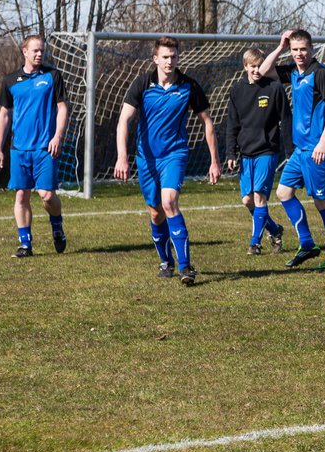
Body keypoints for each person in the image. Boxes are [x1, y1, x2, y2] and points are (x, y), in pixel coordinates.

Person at [113, 36, 221, 285]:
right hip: (146, 158)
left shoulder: (188, 86)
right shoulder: (142, 84)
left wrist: (214, 161)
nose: (170, 61)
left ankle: (185, 266)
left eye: (173, 56)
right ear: (155, 59)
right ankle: (165, 260)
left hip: (175, 154)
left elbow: (207, 123)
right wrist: (122, 157)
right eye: (165, 57)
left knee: (169, 201)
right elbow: (123, 121)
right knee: (155, 212)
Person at [259, 29, 325, 270]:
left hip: (318, 149)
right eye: (295, 49)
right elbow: (263, 70)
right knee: (283, 192)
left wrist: (323, 141)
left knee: (322, 202)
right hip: (301, 150)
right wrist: (280, 47)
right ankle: (307, 243)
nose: (299, 54)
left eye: (303, 49)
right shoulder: (293, 72)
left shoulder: (320, 73)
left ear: (312, 49)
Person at [0, 35, 69, 257]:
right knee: (21, 196)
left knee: (47, 195)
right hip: (19, 150)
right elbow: (4, 116)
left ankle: (56, 225)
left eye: (42, 51)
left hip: (45, 148)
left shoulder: (52, 76)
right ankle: (25, 244)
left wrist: (57, 136)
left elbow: (63, 108)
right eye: (35, 51)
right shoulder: (10, 81)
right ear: (24, 51)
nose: (39, 54)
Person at [224, 48, 288, 254]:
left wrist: (290, 150)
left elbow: (286, 120)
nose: (257, 70)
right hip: (246, 153)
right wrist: (231, 153)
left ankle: (255, 242)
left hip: (267, 151)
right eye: (253, 66)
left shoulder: (275, 88)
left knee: (260, 197)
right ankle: (275, 230)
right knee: (247, 201)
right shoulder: (236, 91)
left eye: (260, 66)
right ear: (245, 67)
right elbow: (232, 124)